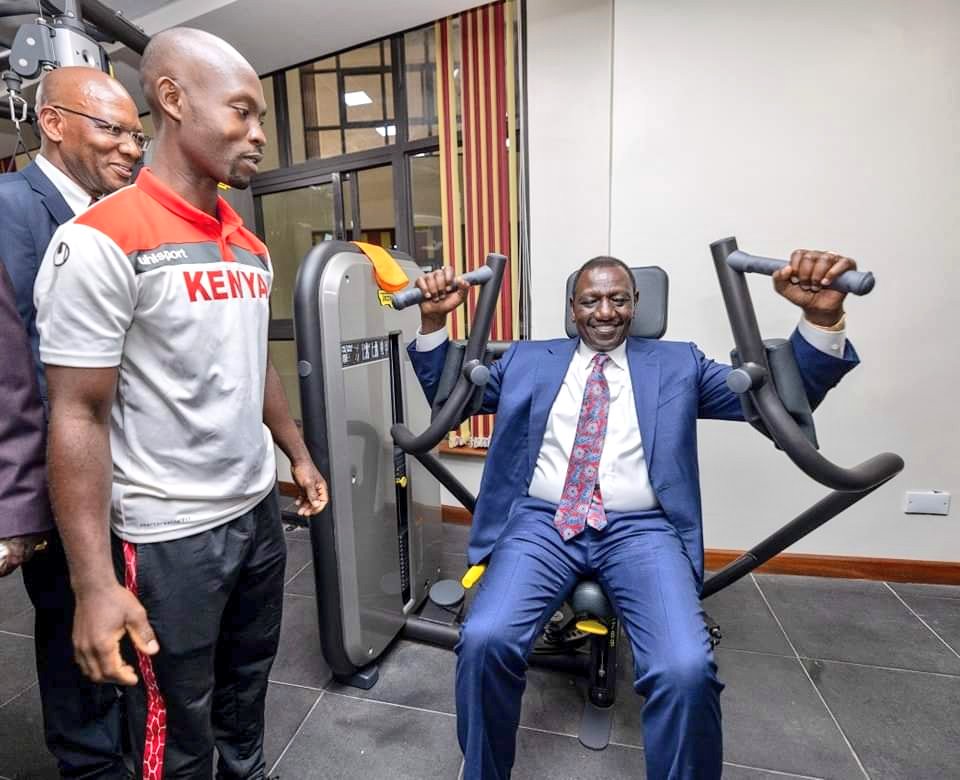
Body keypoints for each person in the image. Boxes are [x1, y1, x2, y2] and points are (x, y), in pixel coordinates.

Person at [409, 251, 860, 779]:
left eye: (618, 298)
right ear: (572, 309)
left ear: (636, 304)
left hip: (640, 529)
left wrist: (821, 320)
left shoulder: (677, 363)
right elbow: (449, 401)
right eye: (591, 300)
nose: (605, 311)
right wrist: (434, 321)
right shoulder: (527, 359)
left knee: (684, 669)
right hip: (541, 523)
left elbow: (780, 402)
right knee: (484, 641)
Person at [34, 29, 328, 780]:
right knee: (176, 726)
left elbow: (250, 360)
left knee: (244, 697)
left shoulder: (247, 245)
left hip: (255, 513)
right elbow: (77, 415)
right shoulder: (99, 240)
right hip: (167, 537)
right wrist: (93, 585)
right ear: (171, 99)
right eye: (242, 112)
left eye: (260, 117)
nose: (259, 134)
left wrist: (294, 453)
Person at [0, 65, 144, 779]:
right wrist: (21, 505)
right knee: (73, 639)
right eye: (112, 129)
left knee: (123, 636)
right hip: (59, 478)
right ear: (53, 123)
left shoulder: (120, 217)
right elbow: (12, 369)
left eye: (137, 135)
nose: (131, 147)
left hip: (131, 478)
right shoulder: (7, 207)